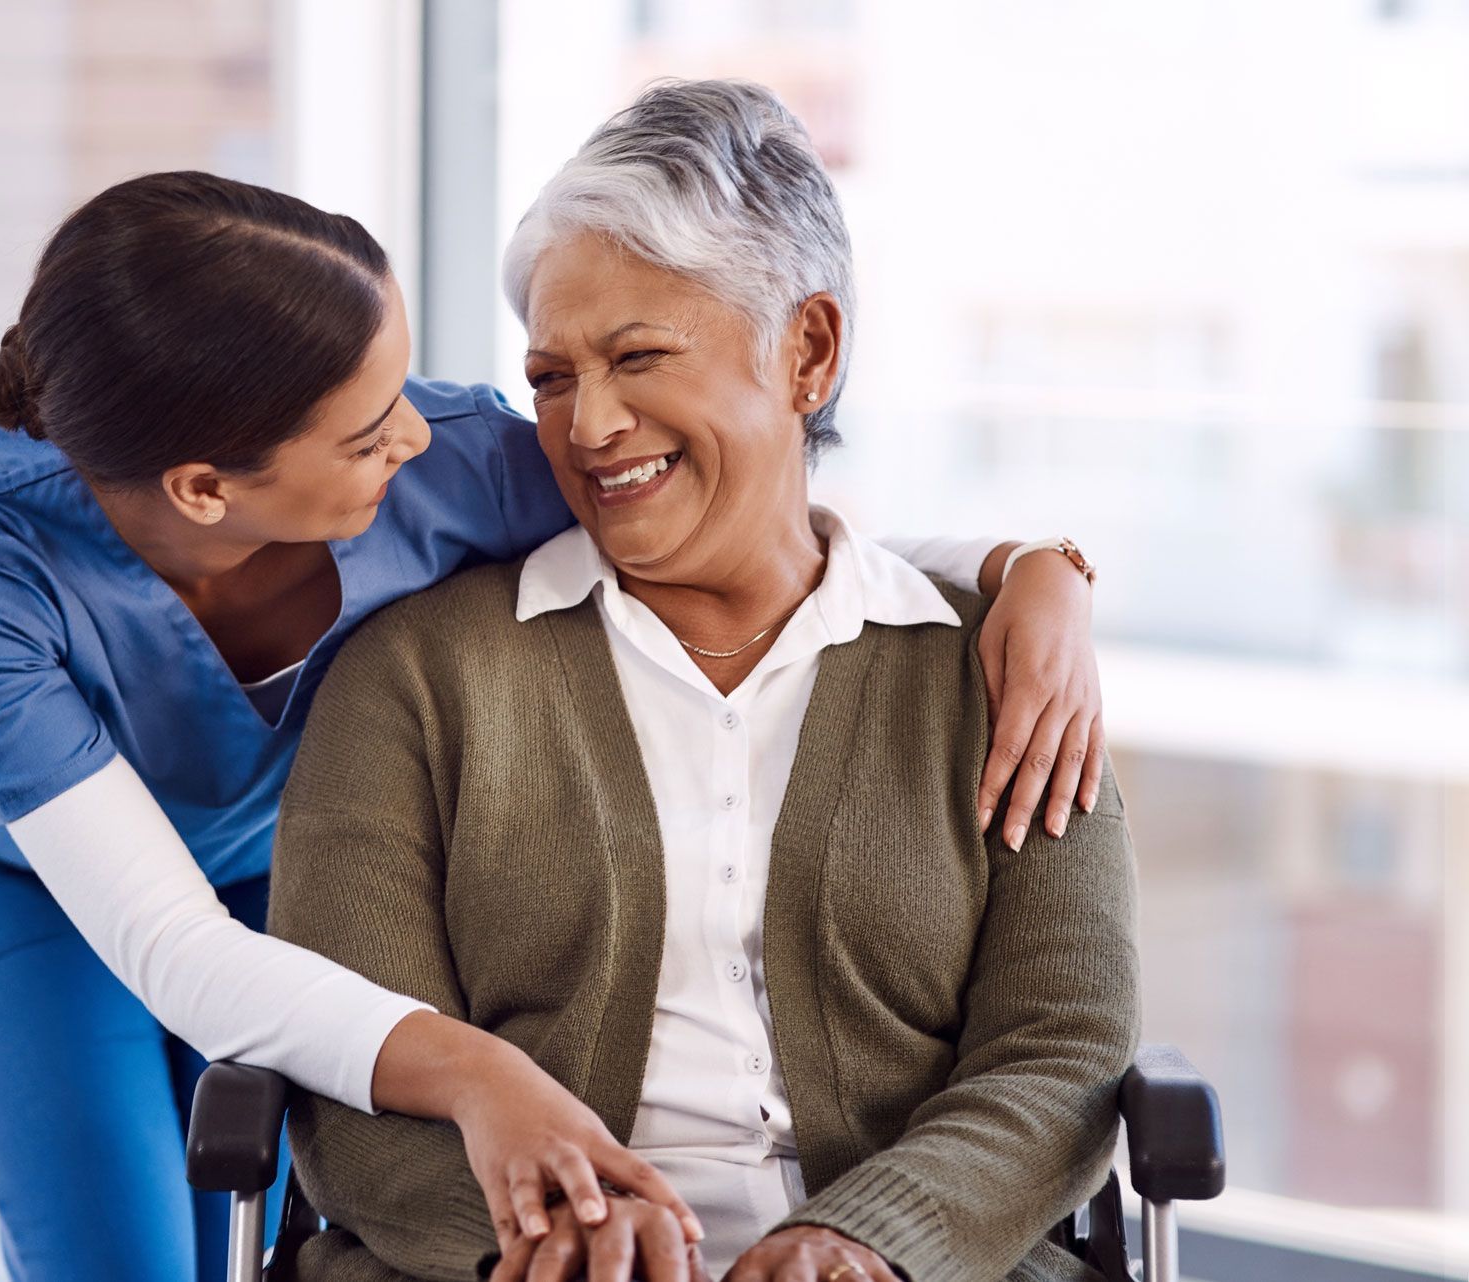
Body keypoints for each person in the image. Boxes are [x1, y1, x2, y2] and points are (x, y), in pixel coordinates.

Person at [0, 166, 1109, 1281]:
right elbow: (171, 947)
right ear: (205, 488)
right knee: (123, 1258)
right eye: (364, 430)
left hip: (286, 864)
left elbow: (760, 527)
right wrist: (485, 1075)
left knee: (242, 1217)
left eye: (400, 387)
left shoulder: (451, 459)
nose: (417, 430)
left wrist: (1025, 566)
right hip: (27, 886)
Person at [267, 80, 1139, 1282]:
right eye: (555, 376)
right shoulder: (415, 677)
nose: (588, 425)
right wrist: (551, 1238)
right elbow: (350, 1065)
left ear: (809, 352)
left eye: (638, 357)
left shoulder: (1004, 668)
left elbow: (1062, 1048)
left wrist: (868, 1239)